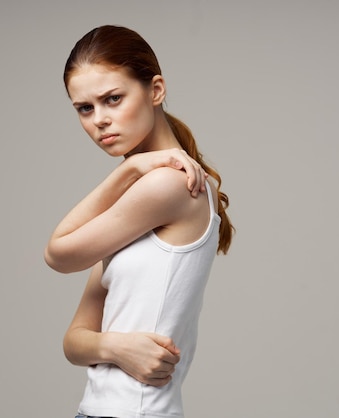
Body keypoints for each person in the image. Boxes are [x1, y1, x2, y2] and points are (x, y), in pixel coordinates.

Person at [44, 24, 234, 418]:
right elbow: (74, 340)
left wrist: (129, 172)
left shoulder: (169, 185)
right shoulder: (140, 191)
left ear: (156, 90)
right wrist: (114, 347)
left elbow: (58, 254)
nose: (99, 120)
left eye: (113, 99)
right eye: (85, 108)